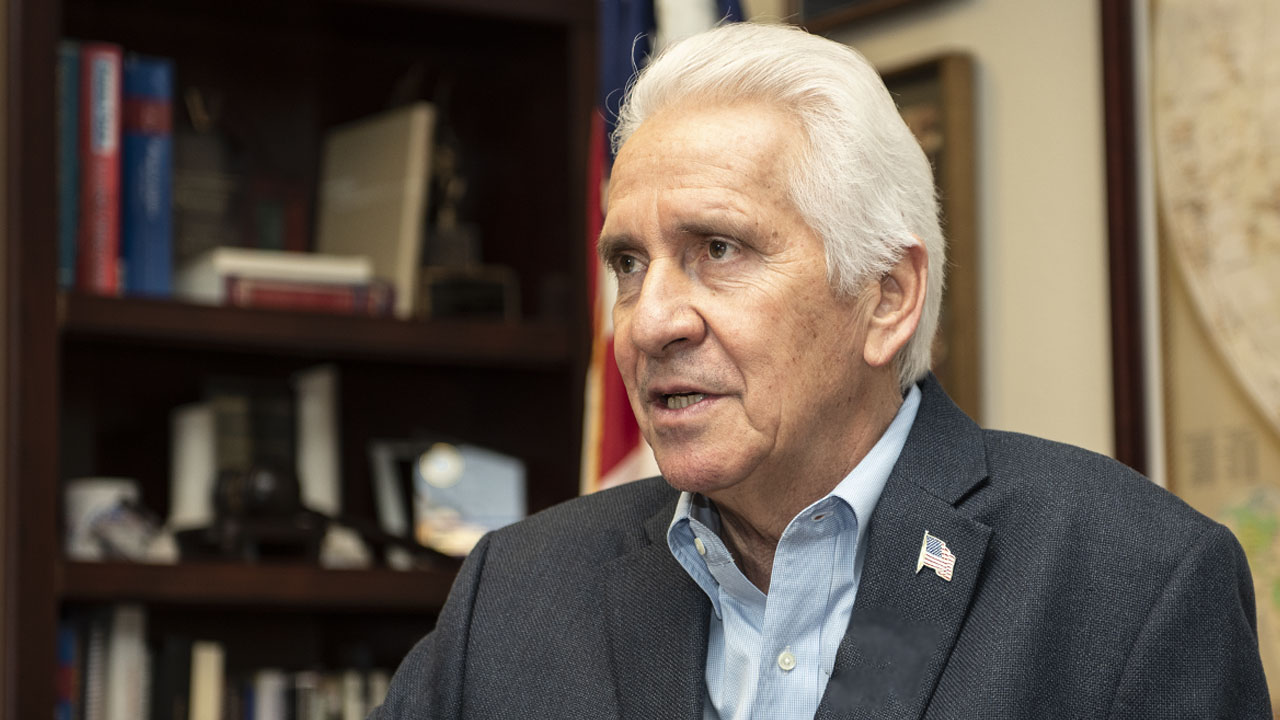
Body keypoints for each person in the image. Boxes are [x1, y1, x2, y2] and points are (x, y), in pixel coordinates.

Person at [372, 22, 1270, 719]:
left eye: (717, 248)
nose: (651, 322)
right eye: (629, 264)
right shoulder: (517, 594)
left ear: (887, 297)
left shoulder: (1134, 582)